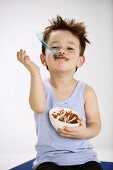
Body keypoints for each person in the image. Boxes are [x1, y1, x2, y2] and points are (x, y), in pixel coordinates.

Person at [17, 16, 103, 170]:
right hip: (49, 160)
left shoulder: (87, 91)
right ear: (44, 59)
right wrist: (34, 73)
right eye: (55, 47)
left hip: (84, 158)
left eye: (70, 48)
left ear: (80, 61)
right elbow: (38, 107)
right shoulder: (40, 86)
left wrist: (84, 132)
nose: (62, 51)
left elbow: (95, 125)